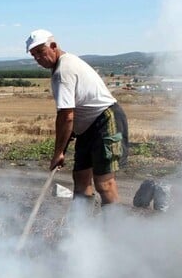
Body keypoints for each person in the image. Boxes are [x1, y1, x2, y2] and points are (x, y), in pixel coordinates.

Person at [25, 29, 129, 212]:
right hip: (86, 127)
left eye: (41, 52)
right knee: (81, 178)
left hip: (105, 120)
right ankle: (81, 232)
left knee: (104, 183)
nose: (38, 58)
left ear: (54, 46)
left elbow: (66, 116)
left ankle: (114, 232)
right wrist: (69, 135)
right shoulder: (62, 65)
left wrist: (58, 153)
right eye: (34, 56)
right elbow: (75, 109)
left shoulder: (63, 71)